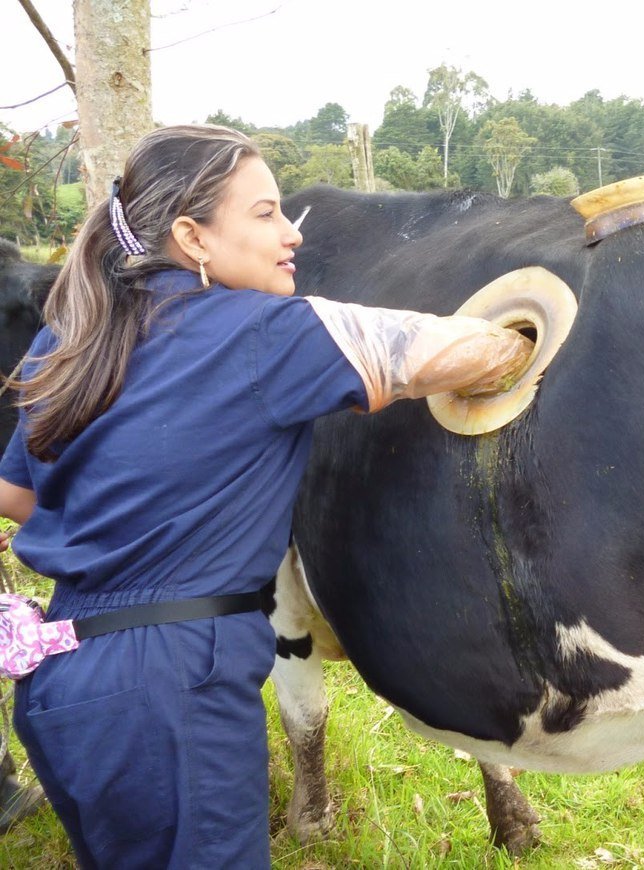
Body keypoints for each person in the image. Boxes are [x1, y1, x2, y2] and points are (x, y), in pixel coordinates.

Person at [0, 124, 532, 868]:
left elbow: (19, 494)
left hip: (62, 678)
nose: (291, 235)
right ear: (193, 236)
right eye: (265, 214)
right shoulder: (265, 336)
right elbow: (464, 351)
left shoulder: (71, 337)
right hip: (174, 685)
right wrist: (523, 332)